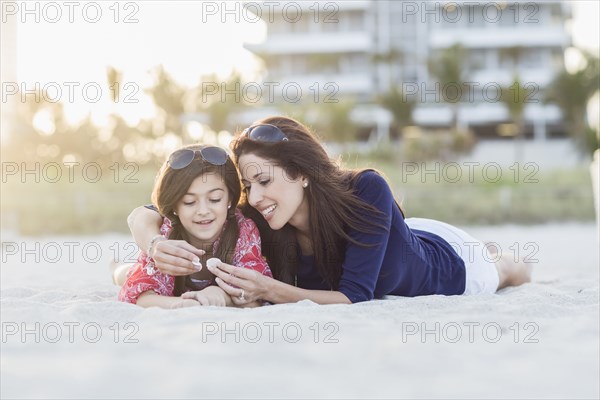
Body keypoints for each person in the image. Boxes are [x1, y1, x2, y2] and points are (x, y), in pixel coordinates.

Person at [127, 116, 531, 306]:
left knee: (506, 270)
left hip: (450, 263)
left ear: (301, 172)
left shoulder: (366, 189)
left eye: (265, 181)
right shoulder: (262, 218)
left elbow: (354, 296)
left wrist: (268, 289)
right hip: (396, 237)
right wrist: (152, 244)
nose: (256, 196)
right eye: (249, 186)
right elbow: (153, 211)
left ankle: (502, 255)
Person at [118, 144, 272, 308]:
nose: (203, 211)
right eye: (189, 202)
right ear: (175, 206)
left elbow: (255, 297)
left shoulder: (244, 231)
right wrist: (183, 304)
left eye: (215, 199)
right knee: (125, 275)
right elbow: (139, 296)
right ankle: (116, 269)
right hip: (139, 273)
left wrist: (220, 294)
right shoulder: (165, 234)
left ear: (230, 198)